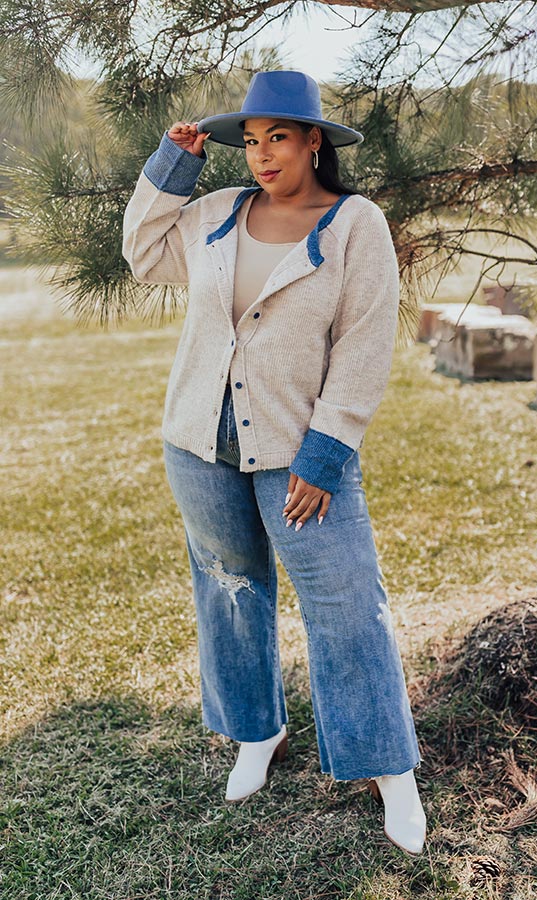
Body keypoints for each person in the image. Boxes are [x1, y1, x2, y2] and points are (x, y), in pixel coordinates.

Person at [122, 69, 426, 855]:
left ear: (313, 140)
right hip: (199, 442)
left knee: (346, 602)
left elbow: (365, 343)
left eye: (278, 138)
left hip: (299, 451)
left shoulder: (355, 223)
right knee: (229, 588)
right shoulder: (216, 212)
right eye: (252, 141)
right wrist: (173, 165)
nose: (262, 155)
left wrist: (325, 456)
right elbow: (142, 253)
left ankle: (388, 766)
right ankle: (258, 732)